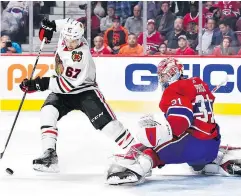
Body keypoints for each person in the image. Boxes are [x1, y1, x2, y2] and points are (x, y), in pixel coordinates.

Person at [19, 18, 135, 172]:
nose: (69, 43)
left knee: (109, 127)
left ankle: (138, 151)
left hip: (84, 91)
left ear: (80, 38)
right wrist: (51, 25)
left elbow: (66, 85)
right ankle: (50, 155)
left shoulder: (81, 55)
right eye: (67, 39)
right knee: (47, 112)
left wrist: (38, 84)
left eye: (73, 41)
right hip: (63, 92)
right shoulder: (67, 35)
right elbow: (68, 23)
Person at [106, 57, 241, 185]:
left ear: (172, 74)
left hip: (192, 144)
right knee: (197, 161)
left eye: (163, 76)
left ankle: (134, 169)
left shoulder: (175, 89)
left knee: (148, 148)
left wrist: (152, 130)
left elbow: (180, 123)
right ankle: (220, 161)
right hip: (212, 145)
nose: (161, 80)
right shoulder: (199, 83)